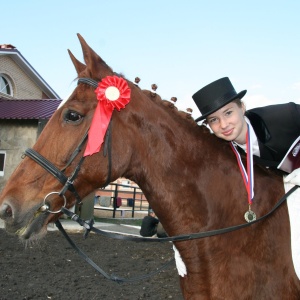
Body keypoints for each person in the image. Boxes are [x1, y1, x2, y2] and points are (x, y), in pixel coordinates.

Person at [187, 76, 300, 277]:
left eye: (228, 112)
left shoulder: (287, 116)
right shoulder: (223, 151)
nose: (223, 124)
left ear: (243, 107)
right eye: (213, 120)